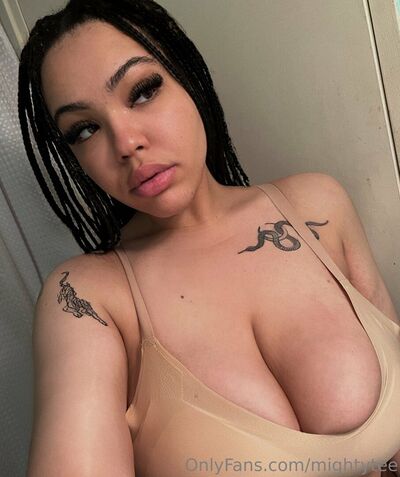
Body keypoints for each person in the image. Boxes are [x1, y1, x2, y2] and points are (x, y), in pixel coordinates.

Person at [18, 1, 400, 476]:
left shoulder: (318, 208)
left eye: (142, 91)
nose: (126, 142)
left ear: (189, 78)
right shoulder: (85, 299)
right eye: (85, 129)